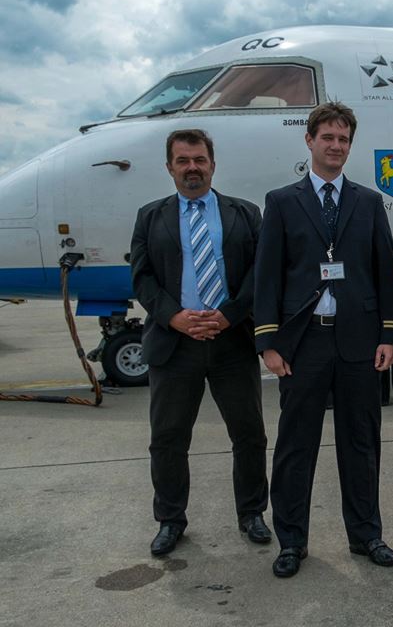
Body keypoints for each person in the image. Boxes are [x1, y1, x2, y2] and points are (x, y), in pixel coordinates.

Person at [254, 102, 393, 578]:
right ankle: (291, 541)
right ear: (310, 141)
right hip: (303, 344)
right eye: (328, 138)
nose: (336, 146)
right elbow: (267, 276)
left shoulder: (369, 201)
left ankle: (366, 535)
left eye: (343, 140)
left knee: (361, 445)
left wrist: (391, 335)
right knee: (295, 446)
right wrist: (268, 342)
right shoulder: (282, 201)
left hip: (359, 342)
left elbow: (385, 272)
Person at [130, 129, 270, 556]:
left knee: (249, 434)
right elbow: (142, 277)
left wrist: (229, 314)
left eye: (199, 160)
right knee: (168, 438)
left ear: (212, 164)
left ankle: (252, 513)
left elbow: (260, 273)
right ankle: (170, 519)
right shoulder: (150, 217)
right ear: (169, 167)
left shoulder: (244, 213)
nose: (192, 168)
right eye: (183, 161)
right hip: (174, 344)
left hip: (232, 341)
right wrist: (174, 317)